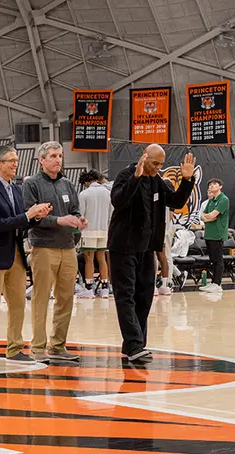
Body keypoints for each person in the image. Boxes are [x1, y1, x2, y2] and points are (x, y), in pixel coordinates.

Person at [109, 146, 195, 364]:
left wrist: (186, 181)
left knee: (145, 296)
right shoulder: (127, 175)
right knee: (125, 296)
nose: (159, 168)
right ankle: (135, 344)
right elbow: (117, 201)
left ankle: (135, 345)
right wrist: (136, 178)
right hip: (124, 247)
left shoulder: (157, 181)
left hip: (147, 248)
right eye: (156, 164)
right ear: (144, 158)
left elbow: (175, 202)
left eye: (161, 164)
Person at [0, 146, 49, 367]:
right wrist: (27, 215)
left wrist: (35, 218)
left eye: (16, 160)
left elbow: (20, 221)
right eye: (10, 161)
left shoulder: (17, 190)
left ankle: (15, 347)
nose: (15, 164)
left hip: (16, 252)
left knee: (17, 303)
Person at [22, 141, 87, 363]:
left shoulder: (68, 184)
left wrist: (79, 221)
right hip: (43, 247)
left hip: (68, 247)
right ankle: (38, 347)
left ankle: (58, 345)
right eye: (53, 156)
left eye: (60, 156)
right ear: (41, 160)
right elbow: (31, 217)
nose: (58, 159)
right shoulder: (31, 184)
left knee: (66, 298)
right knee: (41, 298)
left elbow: (74, 210)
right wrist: (59, 219)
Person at [77, 170, 113, 298]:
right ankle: (104, 288)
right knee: (102, 259)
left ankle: (88, 288)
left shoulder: (84, 194)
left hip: (88, 231)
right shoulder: (108, 193)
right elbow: (111, 214)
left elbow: (80, 214)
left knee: (89, 260)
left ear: (86, 182)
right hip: (104, 230)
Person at [200, 178, 230, 293]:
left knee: (218, 259)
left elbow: (213, 215)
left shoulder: (223, 199)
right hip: (209, 233)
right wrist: (208, 217)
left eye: (214, 184)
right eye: (210, 185)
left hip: (217, 233)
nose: (211, 186)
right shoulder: (211, 200)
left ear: (220, 186)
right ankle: (213, 282)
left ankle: (218, 284)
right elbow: (203, 215)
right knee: (212, 259)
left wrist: (208, 217)